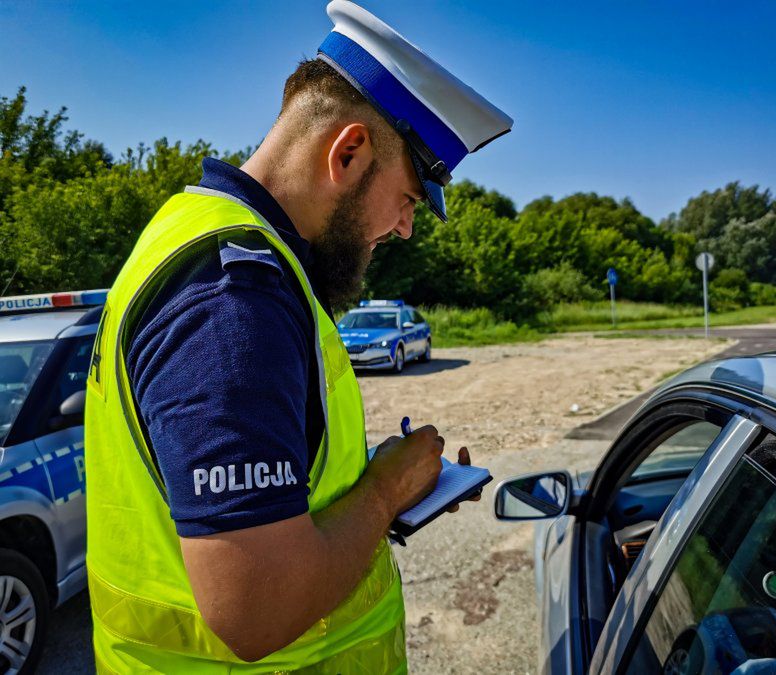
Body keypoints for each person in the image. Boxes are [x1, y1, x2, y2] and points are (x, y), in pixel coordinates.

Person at [84, 1, 512, 672]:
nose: (404, 228)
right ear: (348, 152)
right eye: (409, 197)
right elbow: (254, 609)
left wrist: (380, 478)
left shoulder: (197, 234)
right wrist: (383, 493)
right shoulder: (234, 299)